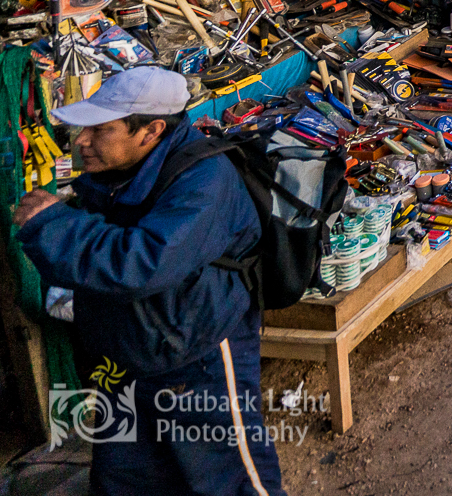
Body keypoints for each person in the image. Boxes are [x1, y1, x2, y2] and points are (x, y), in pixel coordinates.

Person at [14, 66, 287, 496]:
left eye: (100, 130)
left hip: (198, 357)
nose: (82, 141)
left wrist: (52, 226)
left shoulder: (205, 181)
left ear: (151, 130)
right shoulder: (117, 174)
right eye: (82, 130)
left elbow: (141, 263)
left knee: (228, 481)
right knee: (125, 481)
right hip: (125, 359)